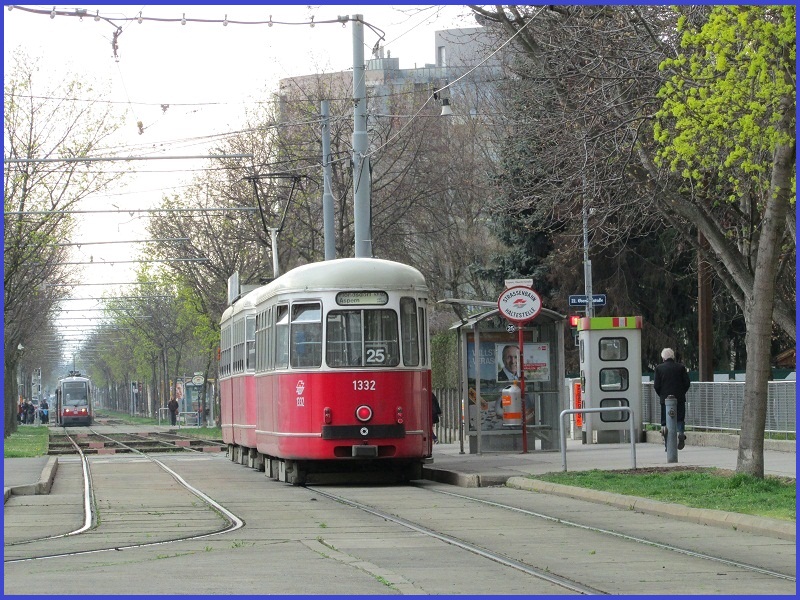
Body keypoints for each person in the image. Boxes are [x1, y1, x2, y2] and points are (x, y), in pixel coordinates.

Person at [654, 347, 691, 450]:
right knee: (679, 418)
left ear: (663, 358)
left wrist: (661, 395)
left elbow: (656, 385)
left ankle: (667, 444)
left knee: (665, 421)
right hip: (679, 398)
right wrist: (681, 393)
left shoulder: (659, 368)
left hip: (664, 399)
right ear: (673, 357)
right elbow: (687, 383)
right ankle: (681, 433)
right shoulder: (680, 367)